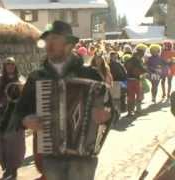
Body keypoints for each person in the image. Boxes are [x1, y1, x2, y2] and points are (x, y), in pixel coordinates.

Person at [10, 21, 112, 180]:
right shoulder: (37, 77)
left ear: (69, 45)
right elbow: (18, 113)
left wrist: (106, 115)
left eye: (55, 39)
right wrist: (26, 120)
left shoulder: (90, 74)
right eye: (47, 40)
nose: (49, 45)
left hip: (83, 159)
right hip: (51, 156)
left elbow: (112, 111)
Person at [0, 57, 25, 179]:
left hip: (16, 117)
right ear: (5, 66)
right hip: (2, 116)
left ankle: (13, 169)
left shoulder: (21, 80)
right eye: (7, 64)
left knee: (16, 144)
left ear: (15, 66)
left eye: (12, 64)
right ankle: (7, 169)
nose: (10, 66)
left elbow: (25, 98)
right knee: (4, 143)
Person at [125, 44, 147, 116]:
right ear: (139, 53)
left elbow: (125, 67)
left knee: (130, 97)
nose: (142, 55)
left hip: (129, 80)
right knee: (139, 95)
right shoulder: (137, 61)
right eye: (142, 54)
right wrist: (145, 70)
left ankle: (130, 112)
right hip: (136, 80)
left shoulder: (129, 60)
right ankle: (137, 110)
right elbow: (142, 70)